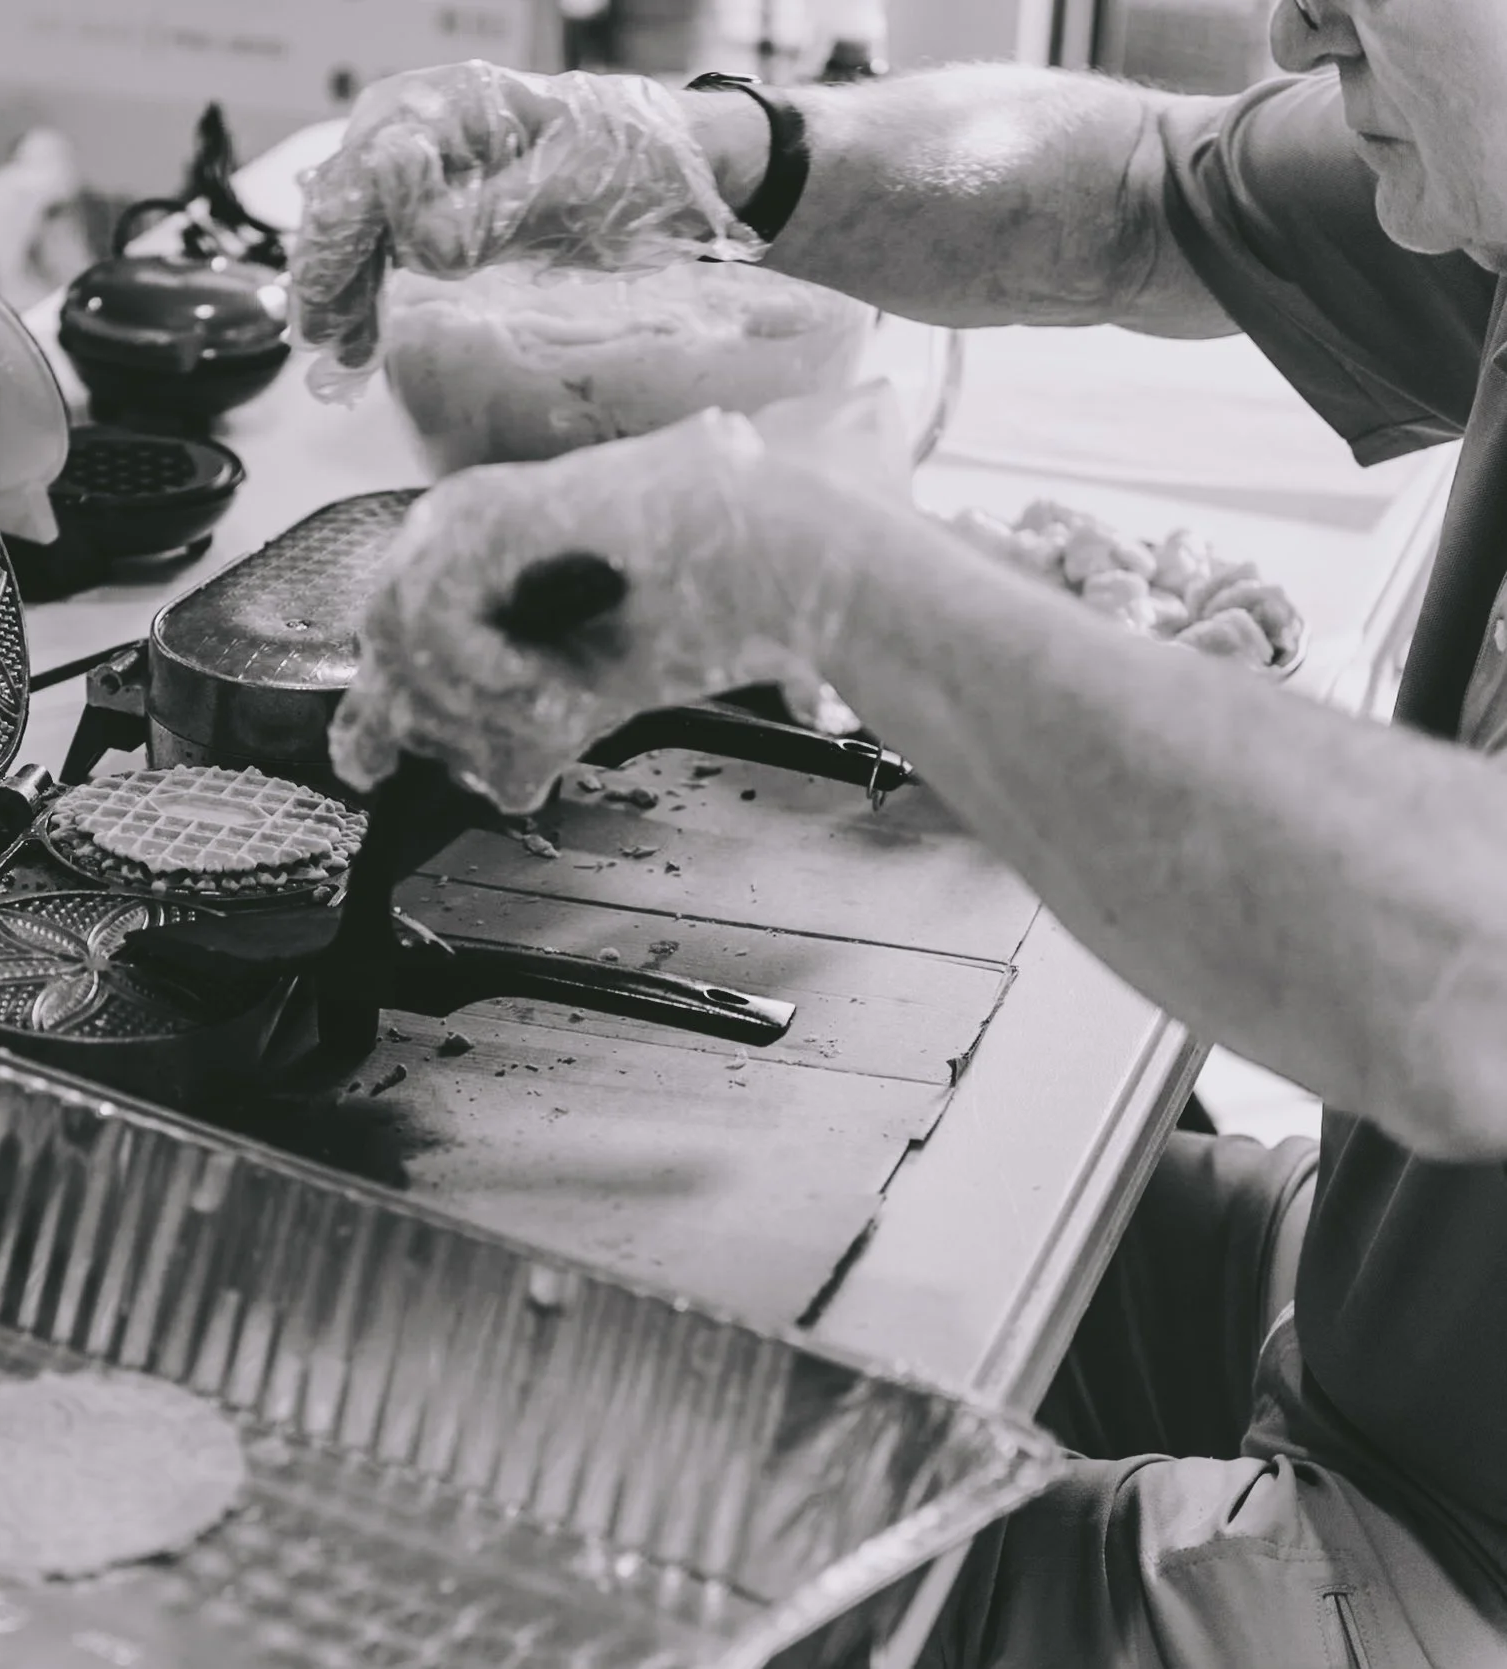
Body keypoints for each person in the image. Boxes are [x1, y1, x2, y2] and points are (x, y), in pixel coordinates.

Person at [292, 4, 1507, 1665]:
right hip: (1403, 1323)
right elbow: (1146, 191)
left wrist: (813, 563)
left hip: (1468, 1565)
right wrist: (721, 154)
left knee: (552, 1563)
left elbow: (1462, 969)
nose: (1295, 21)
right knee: (675, 1261)